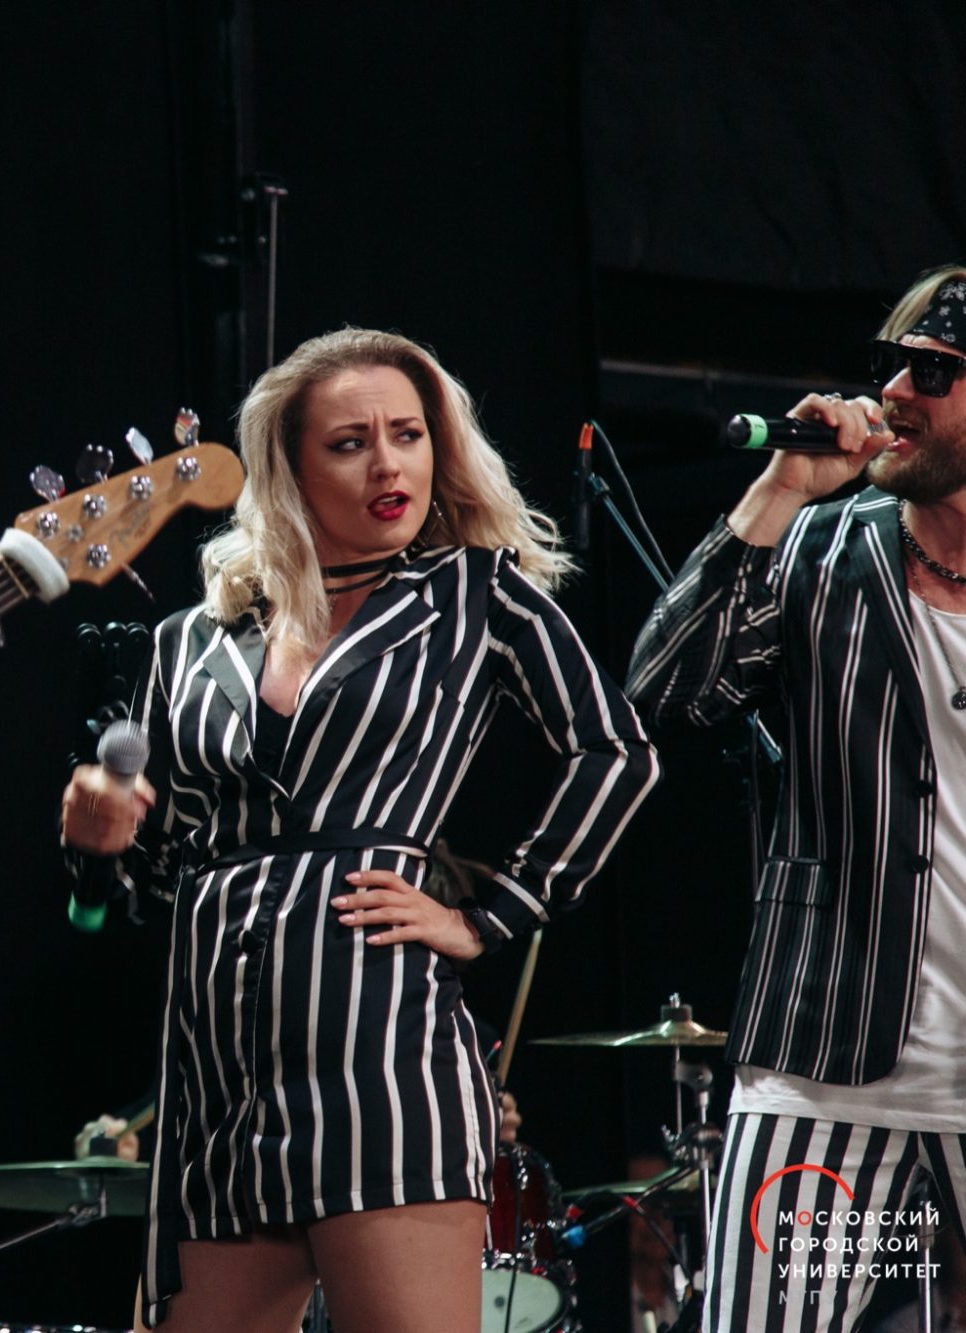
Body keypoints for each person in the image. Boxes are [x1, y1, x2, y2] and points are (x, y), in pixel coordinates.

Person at [59, 327, 659, 1333]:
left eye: (408, 435)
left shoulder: (477, 594)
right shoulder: (188, 641)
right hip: (217, 1085)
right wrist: (96, 846)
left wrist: (490, 915)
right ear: (288, 469)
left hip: (381, 1067)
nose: (388, 465)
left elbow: (617, 753)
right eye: (349, 443)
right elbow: (145, 892)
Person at [627, 265, 966, 1331]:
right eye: (890, 366)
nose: (894, 393)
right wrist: (775, 494)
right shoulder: (816, 549)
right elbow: (664, 694)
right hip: (825, 1071)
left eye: (932, 371)